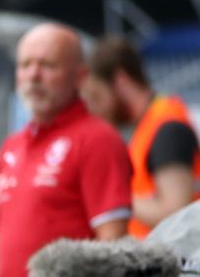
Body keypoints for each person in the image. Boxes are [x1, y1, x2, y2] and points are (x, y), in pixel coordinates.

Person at [0, 23, 133, 277]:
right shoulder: (12, 146)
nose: (33, 75)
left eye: (47, 65)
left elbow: (113, 244)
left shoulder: (98, 140)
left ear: (80, 77)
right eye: (25, 65)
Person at [82, 36, 200, 239]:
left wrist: (112, 194)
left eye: (97, 97)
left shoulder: (167, 127)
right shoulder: (150, 124)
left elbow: (175, 212)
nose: (96, 110)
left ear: (121, 80)